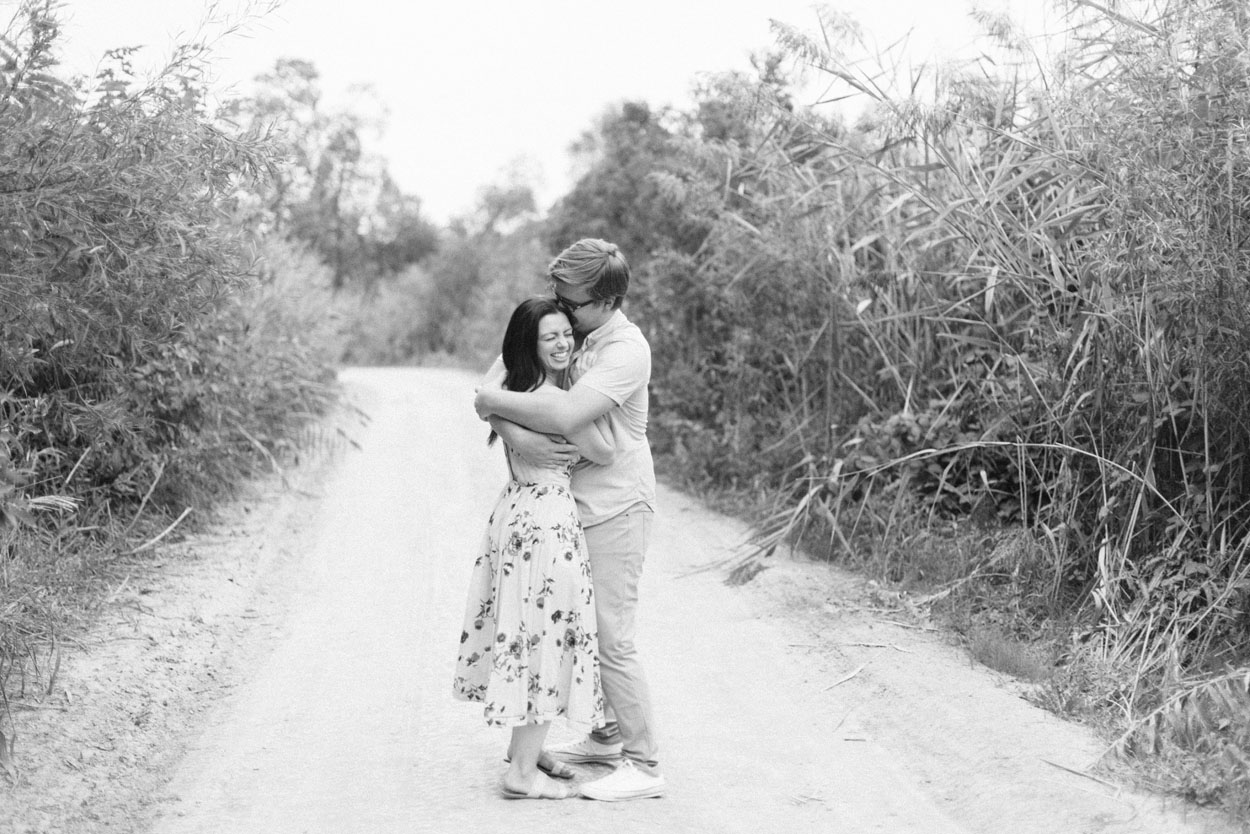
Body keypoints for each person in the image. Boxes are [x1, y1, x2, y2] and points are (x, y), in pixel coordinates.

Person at [474, 238, 664, 802]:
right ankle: (605, 738)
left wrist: (492, 406)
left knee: (612, 636)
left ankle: (645, 763)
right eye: (559, 295)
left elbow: (566, 411)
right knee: (573, 628)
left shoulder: (627, 351)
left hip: (617, 507)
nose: (561, 305)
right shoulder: (569, 329)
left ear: (605, 300)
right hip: (567, 506)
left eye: (573, 301)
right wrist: (502, 422)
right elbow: (492, 384)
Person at [453, 297, 616, 801]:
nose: (565, 342)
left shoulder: (514, 390)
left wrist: (500, 418)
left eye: (568, 332)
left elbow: (485, 390)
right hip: (546, 524)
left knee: (527, 633)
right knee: (548, 639)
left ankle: (526, 751)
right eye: (550, 337)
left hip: (517, 514)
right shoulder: (550, 400)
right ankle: (522, 772)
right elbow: (604, 450)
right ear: (530, 346)